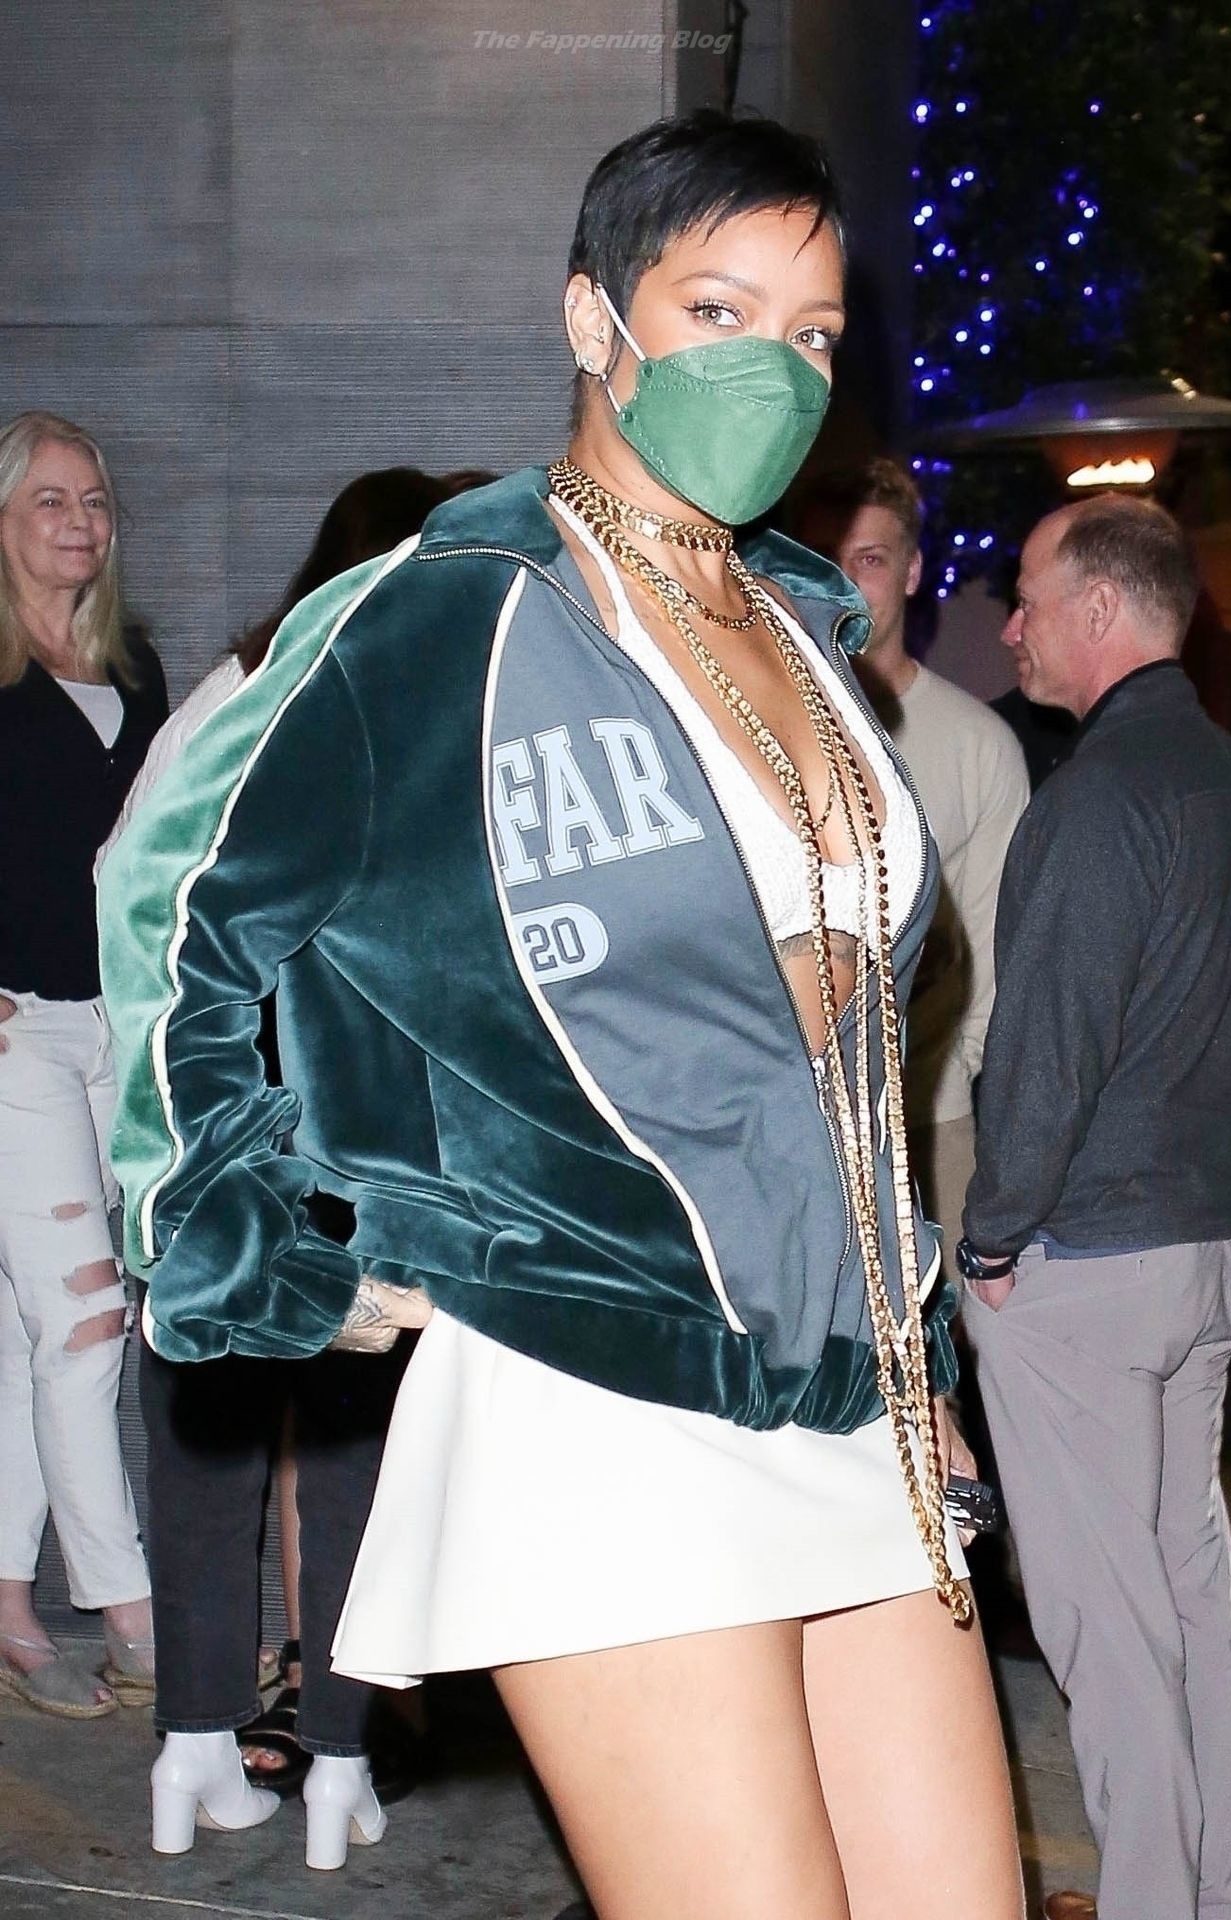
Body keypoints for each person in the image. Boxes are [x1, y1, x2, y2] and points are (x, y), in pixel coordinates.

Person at [100, 112, 1024, 1919]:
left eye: (814, 332)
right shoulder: (455, 611)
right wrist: (237, 1225)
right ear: (594, 318)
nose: (773, 367)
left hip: (854, 1396)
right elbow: (173, 887)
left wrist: (916, 1348)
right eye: (716, 309)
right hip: (602, 1380)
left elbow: (846, 1064)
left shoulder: (810, 636)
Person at [100, 466, 449, 1865]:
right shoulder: (428, 710)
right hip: (362, 1146)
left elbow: (127, 877)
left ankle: (190, 1751)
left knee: (203, 1451)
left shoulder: (239, 689)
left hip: (216, 1133)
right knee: (357, 1461)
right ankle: (340, 1766)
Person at [956, 494, 1231, 1920]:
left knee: (1111, 1629)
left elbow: (1047, 1054)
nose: (1010, 627)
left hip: (1083, 1264)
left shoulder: (1094, 801)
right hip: (1212, 1242)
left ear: (1099, 608)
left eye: (1028, 597)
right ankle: (1222, 1889)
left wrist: (991, 1234)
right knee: (1193, 1595)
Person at [0, 410, 167, 1718]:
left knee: (31, 1335)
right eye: (51, 500)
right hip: (19, 1038)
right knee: (85, 1324)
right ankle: (135, 1616)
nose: (80, 521)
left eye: (95, 501)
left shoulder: (134, 666)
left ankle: (8, 1610)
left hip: (121, 1027)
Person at [795, 460, 1028, 1278]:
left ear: (913, 570)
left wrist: (946, 1079)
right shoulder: (755, 727)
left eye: (871, 559)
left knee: (945, 1340)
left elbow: (997, 943)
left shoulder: (977, 745)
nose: (847, 583)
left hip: (932, 1123)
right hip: (788, 1124)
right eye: (828, 559)